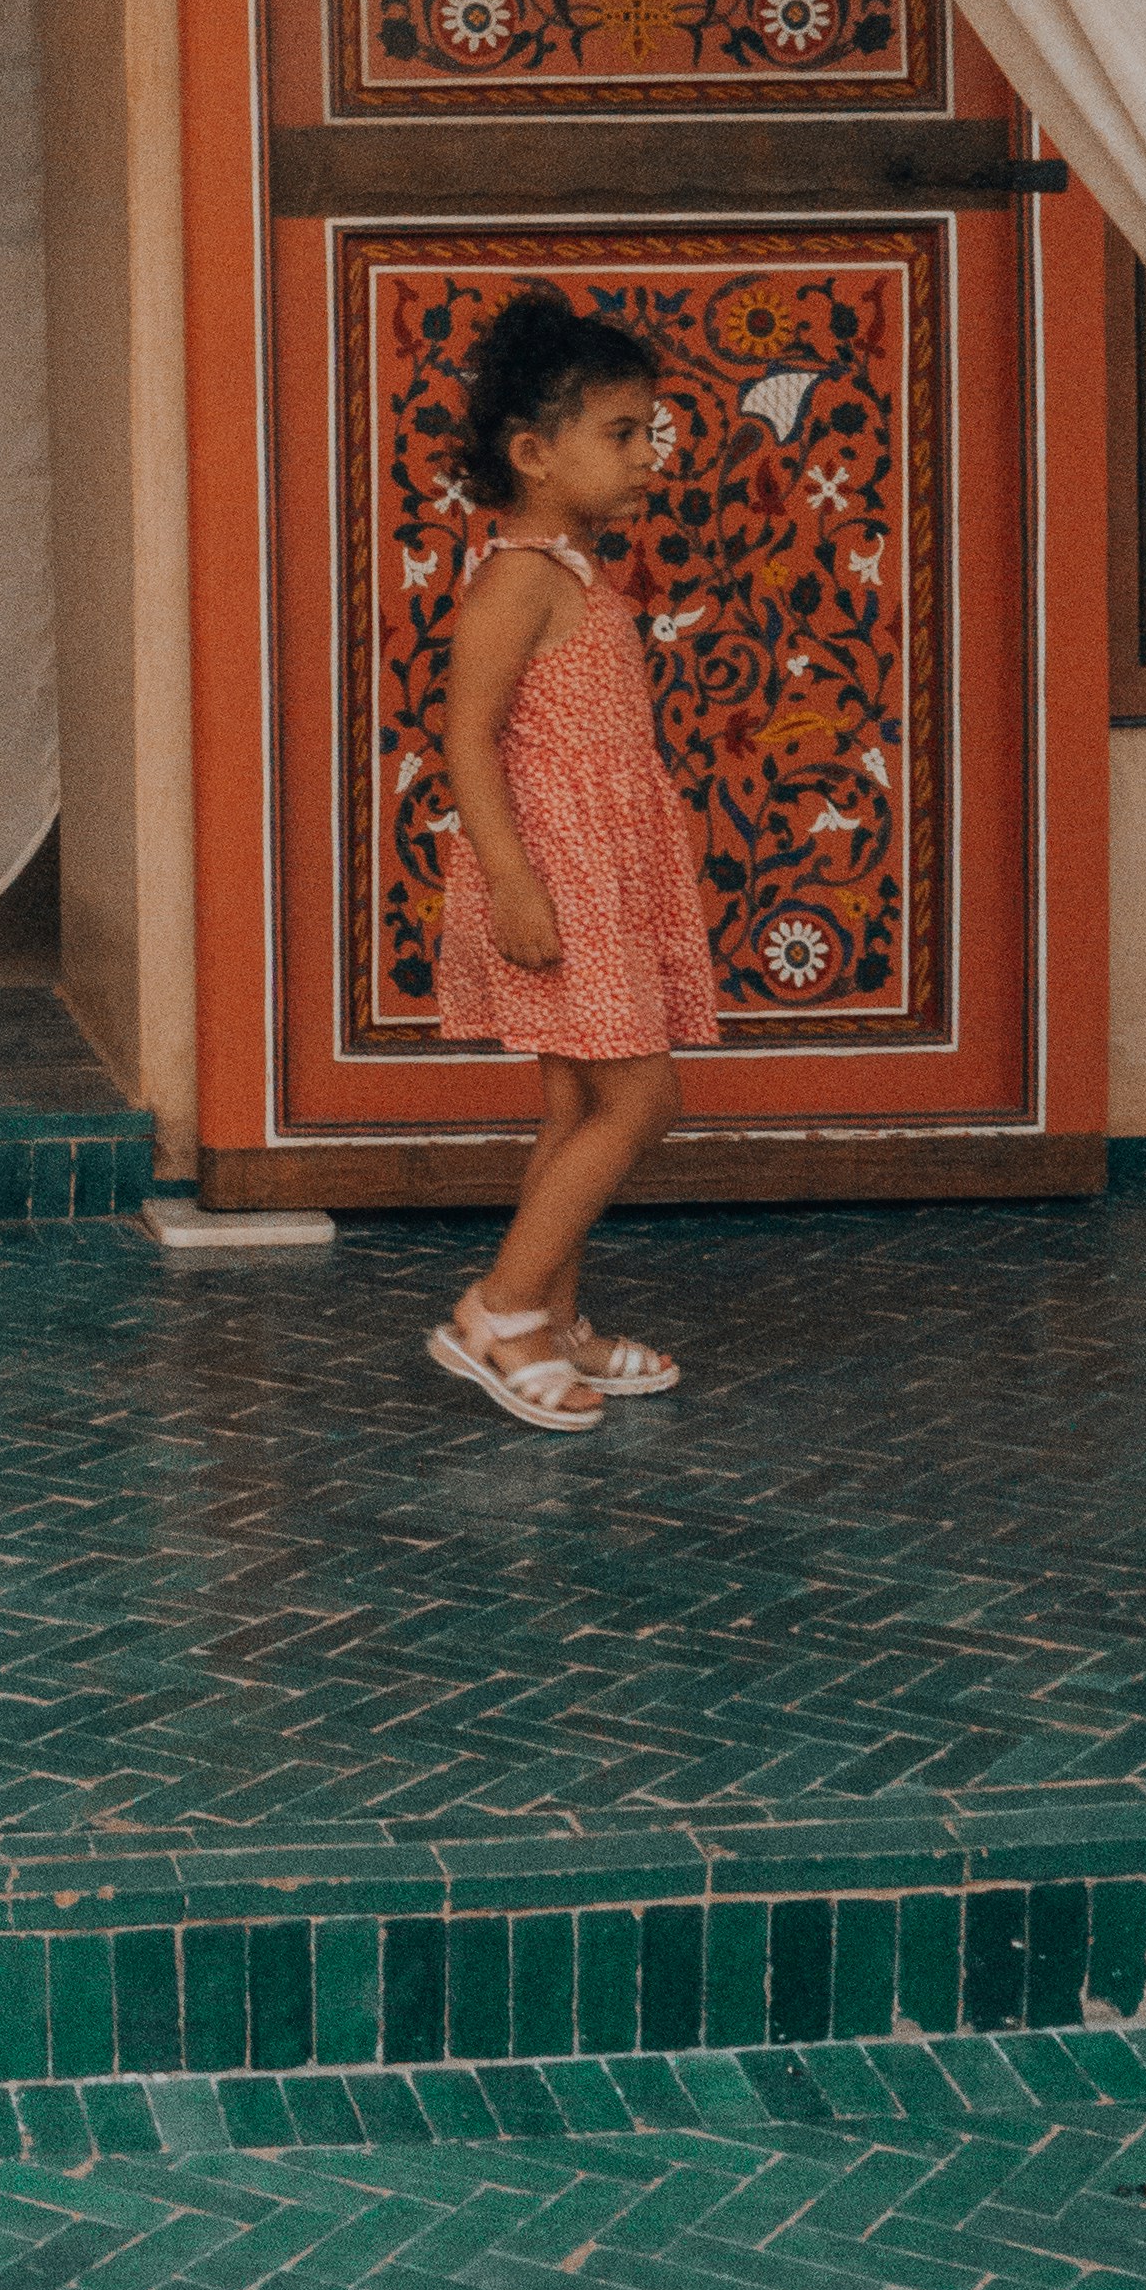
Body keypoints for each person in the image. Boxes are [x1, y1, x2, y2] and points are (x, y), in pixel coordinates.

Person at [426, 290, 719, 1434]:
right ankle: (495, 1312)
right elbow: (465, 737)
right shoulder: (518, 578)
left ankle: (551, 1314)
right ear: (534, 455)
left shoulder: (580, 569)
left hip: (604, 867)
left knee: (574, 1101)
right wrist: (509, 879)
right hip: (553, 875)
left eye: (649, 431)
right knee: (641, 1097)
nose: (648, 455)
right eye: (621, 434)